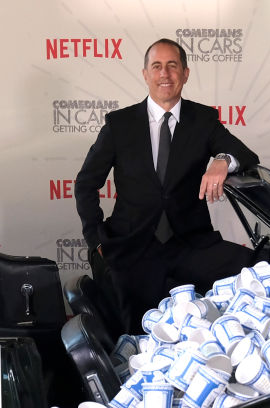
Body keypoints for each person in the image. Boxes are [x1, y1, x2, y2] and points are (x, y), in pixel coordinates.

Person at [75, 38, 260, 332]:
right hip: (131, 246)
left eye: (172, 66)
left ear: (185, 74)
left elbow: (246, 156)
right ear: (145, 74)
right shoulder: (119, 125)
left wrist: (222, 160)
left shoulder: (203, 119)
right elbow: (85, 184)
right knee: (134, 334)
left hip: (191, 244)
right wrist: (95, 240)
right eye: (157, 66)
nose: (165, 74)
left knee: (260, 271)